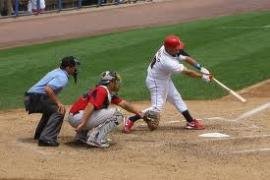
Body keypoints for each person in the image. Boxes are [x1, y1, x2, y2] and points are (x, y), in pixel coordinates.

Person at [123, 34, 212, 133]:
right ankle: (131, 119)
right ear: (169, 48)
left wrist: (201, 68)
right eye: (176, 49)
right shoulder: (168, 62)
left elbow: (184, 56)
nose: (178, 50)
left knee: (176, 97)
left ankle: (190, 122)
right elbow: (187, 72)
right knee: (156, 108)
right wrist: (202, 76)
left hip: (163, 79)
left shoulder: (167, 48)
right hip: (156, 82)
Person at [68, 70, 143, 148]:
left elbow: (123, 103)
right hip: (79, 118)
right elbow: (90, 106)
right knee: (118, 114)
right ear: (110, 82)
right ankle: (96, 138)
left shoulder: (104, 90)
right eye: (115, 81)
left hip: (75, 116)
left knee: (99, 112)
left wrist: (138, 112)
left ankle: (81, 137)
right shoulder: (102, 90)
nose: (117, 83)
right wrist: (83, 123)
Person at [24, 56, 80, 147]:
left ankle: (40, 134)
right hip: (34, 99)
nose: (75, 69)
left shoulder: (57, 71)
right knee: (59, 110)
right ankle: (47, 138)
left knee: (51, 109)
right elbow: (48, 89)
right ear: (68, 68)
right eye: (74, 66)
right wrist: (58, 103)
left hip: (31, 98)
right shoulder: (62, 77)